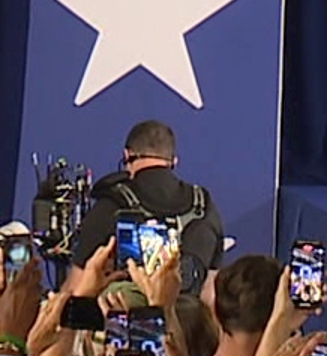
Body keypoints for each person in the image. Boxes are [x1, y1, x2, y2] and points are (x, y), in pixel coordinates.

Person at [65, 119, 224, 295]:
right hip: (189, 319)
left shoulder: (112, 204)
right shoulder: (204, 205)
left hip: (127, 317)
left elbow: (76, 289)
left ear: (127, 155)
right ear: (173, 160)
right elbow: (211, 291)